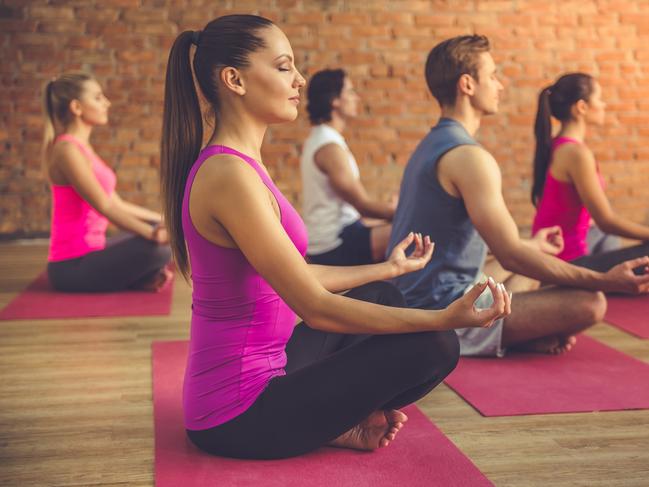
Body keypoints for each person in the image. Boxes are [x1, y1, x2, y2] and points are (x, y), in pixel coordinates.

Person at [160, 15, 511, 460]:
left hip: (276, 365)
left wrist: (388, 266)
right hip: (235, 412)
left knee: (384, 293)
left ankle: (332, 419)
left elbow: (294, 275)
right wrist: (446, 318)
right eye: (284, 67)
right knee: (436, 343)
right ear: (235, 80)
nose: (300, 80)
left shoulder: (242, 163)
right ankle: (332, 418)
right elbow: (314, 307)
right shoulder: (228, 174)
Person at [387, 35, 649, 358]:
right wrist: (606, 281)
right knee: (591, 302)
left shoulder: (433, 143)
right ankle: (511, 335)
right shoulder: (469, 157)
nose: (500, 84)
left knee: (533, 264)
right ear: (467, 84)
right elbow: (509, 254)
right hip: (442, 312)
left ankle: (522, 334)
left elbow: (495, 250)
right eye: (493, 75)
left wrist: (534, 245)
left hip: (422, 295)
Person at [42, 72, 171, 292]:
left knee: (163, 235)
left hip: (94, 251)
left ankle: (139, 278)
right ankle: (138, 278)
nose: (107, 103)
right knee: (159, 250)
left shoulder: (82, 148)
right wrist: (153, 234)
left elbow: (117, 203)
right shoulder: (66, 150)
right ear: (77, 107)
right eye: (98, 97)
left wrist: (164, 221)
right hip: (71, 266)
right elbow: (104, 206)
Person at [532, 72, 649, 271]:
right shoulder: (576, 153)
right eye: (599, 99)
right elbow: (607, 221)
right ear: (582, 107)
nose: (604, 105)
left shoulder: (558, 145)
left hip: (562, 251)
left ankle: (611, 283)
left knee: (606, 233)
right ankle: (609, 282)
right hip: (566, 262)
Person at [301, 68, 395, 265]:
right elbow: (363, 205)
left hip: (345, 230)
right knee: (416, 228)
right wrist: (405, 212)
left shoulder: (324, 139)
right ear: (334, 100)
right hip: (333, 244)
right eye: (350, 92)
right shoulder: (329, 147)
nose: (357, 97)